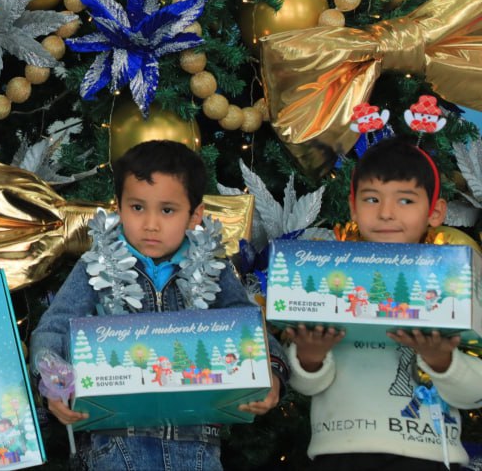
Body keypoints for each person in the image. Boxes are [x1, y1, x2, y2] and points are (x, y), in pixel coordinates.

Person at [29, 140, 286, 470]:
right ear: (119, 207)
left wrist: (271, 374)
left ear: (195, 216)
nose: (150, 224)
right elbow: (53, 326)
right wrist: (53, 385)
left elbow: (250, 326)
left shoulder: (214, 269)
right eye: (137, 207)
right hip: (116, 446)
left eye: (167, 210)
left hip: (197, 447)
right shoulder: (96, 266)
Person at [285, 139, 482, 470]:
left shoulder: (456, 285)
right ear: (353, 207)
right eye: (372, 199)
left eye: (405, 200)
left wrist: (443, 361)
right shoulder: (329, 279)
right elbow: (305, 384)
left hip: (428, 455)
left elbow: (475, 392)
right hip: (340, 452)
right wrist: (310, 357)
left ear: (435, 212)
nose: (386, 213)